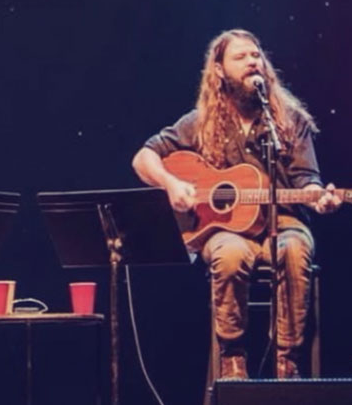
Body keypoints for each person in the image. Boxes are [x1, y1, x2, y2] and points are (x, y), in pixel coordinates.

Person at [132, 29, 340, 379]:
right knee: (229, 254)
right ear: (219, 70)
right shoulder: (201, 121)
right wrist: (172, 184)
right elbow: (143, 157)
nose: (252, 63)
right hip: (224, 229)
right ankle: (232, 360)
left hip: (284, 221)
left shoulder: (289, 121)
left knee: (294, 249)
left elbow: (308, 180)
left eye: (256, 56)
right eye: (240, 57)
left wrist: (320, 198)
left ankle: (288, 362)